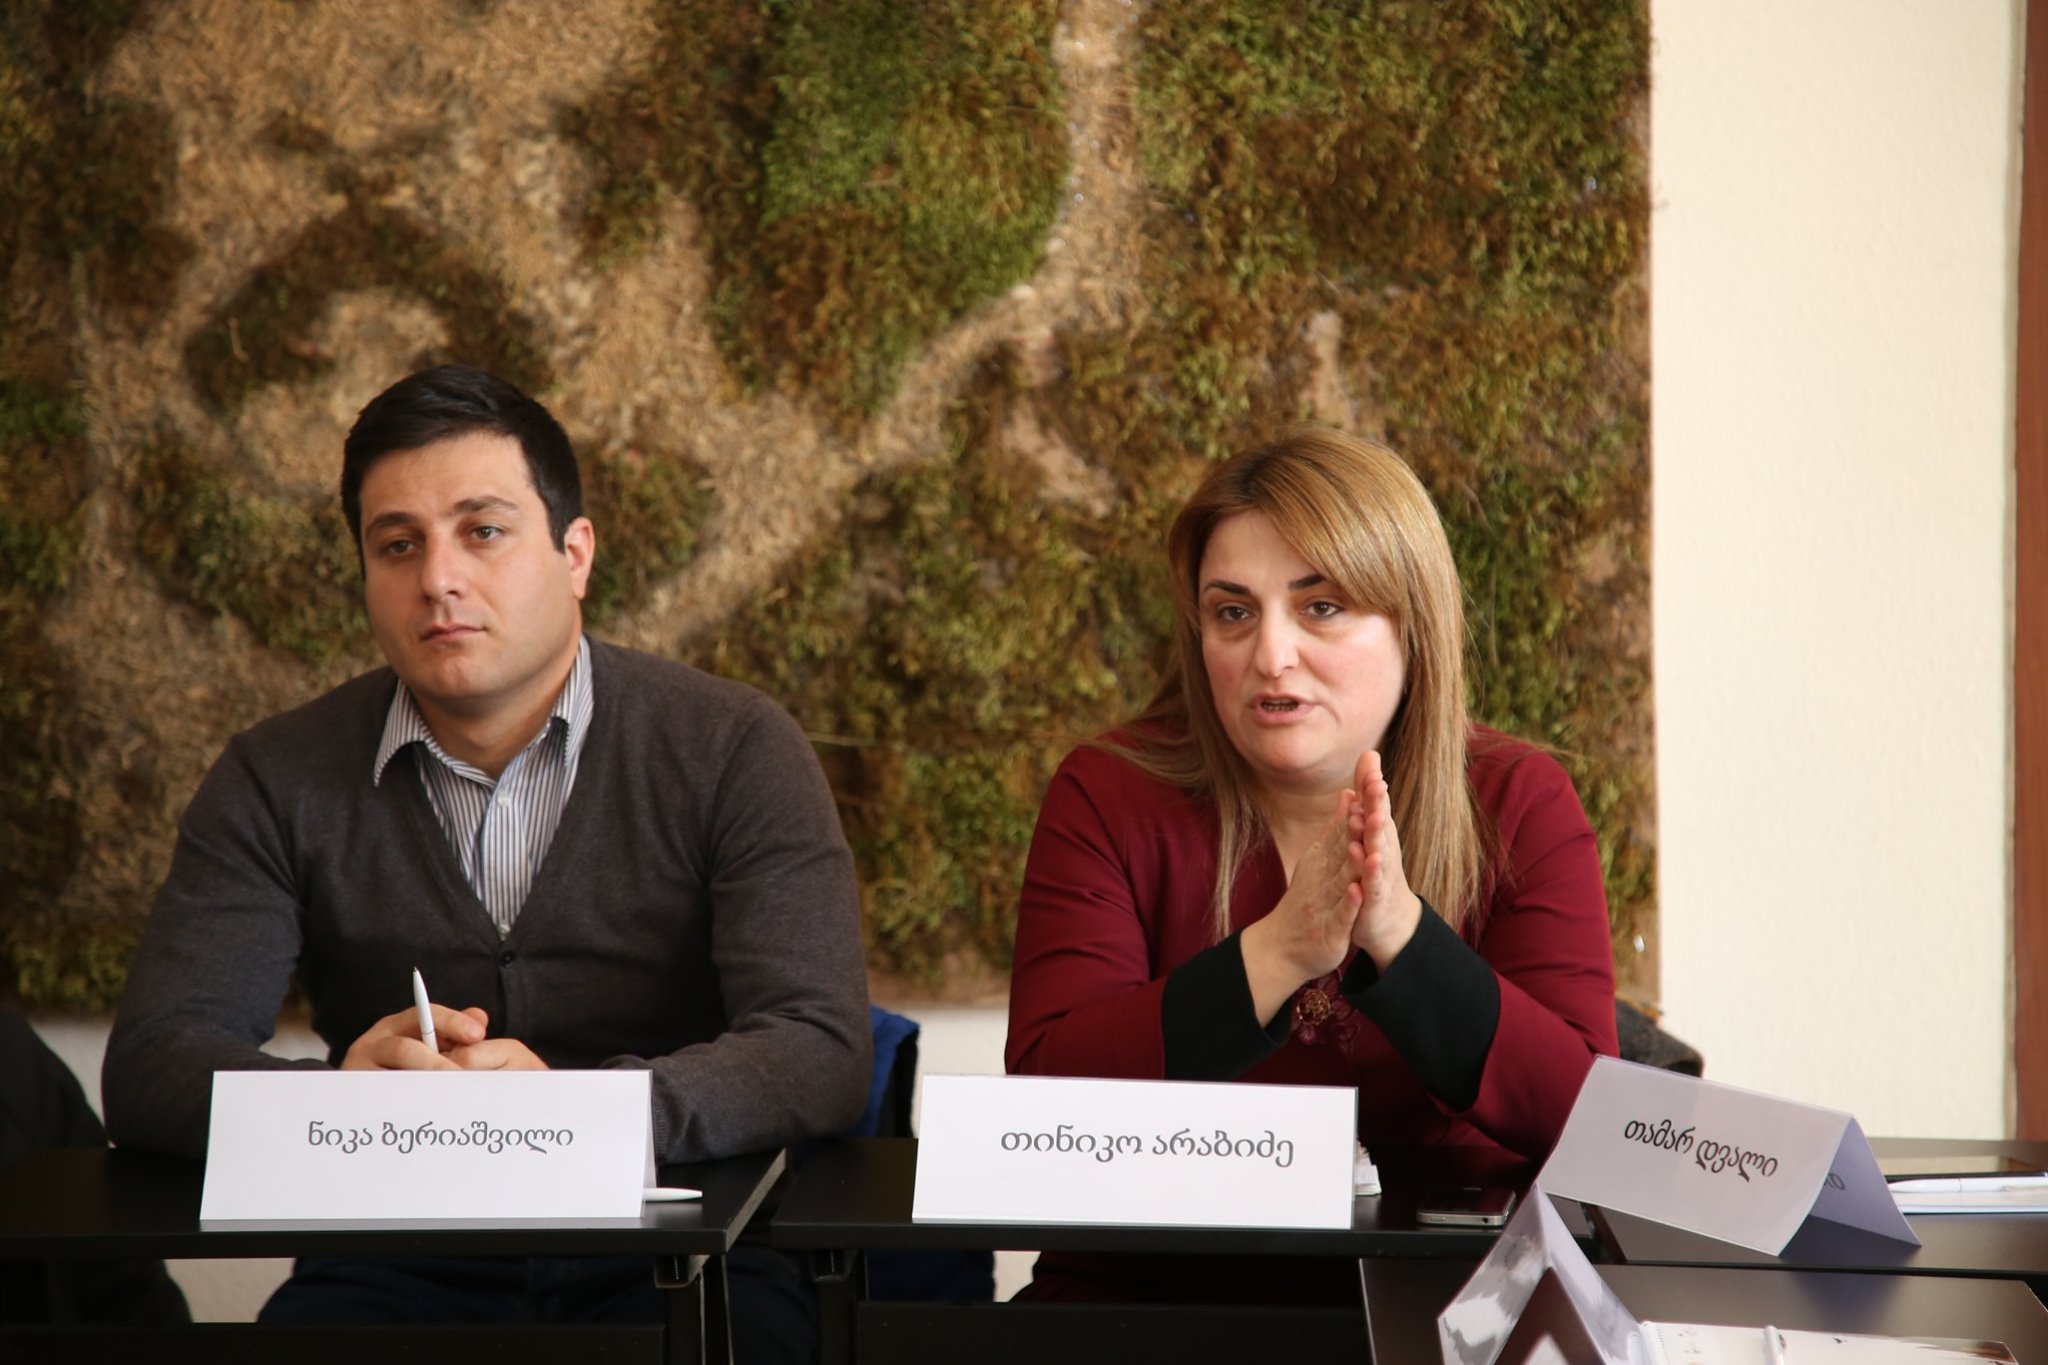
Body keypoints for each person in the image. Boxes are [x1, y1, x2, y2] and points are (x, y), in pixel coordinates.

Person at [103, 364, 871, 1358]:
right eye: (398, 544)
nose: (437, 579)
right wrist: (340, 1103)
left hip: (685, 1246)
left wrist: (575, 1115)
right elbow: (153, 1062)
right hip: (392, 1254)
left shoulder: (733, 747)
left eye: (483, 531)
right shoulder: (274, 776)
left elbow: (818, 1048)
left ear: (574, 553)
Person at [1005, 427, 1618, 1302]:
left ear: (1413, 622)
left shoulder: (1517, 799)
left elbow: (1593, 1127)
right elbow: (1040, 1108)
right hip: (1147, 1304)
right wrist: (1279, 950)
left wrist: (1401, 933)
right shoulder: (1110, 791)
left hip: (1441, 1309)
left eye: (1321, 606)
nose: (1270, 655)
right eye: (1233, 611)